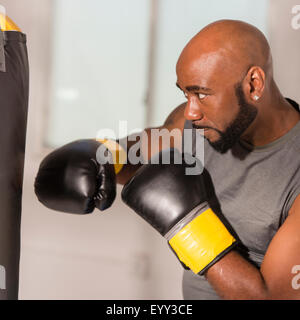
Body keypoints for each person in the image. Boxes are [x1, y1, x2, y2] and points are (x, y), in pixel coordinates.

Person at [35, 19, 300, 299]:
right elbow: (144, 152)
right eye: (186, 93)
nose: (191, 112)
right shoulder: (201, 125)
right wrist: (103, 154)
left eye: (201, 93)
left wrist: (190, 229)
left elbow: (273, 298)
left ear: (254, 84)